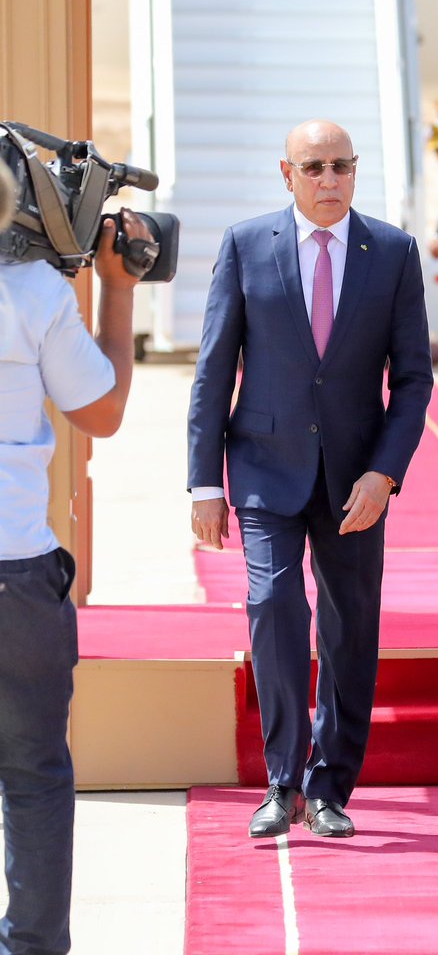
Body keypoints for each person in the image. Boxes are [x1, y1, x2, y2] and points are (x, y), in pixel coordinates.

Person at [188, 119, 433, 842]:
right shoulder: (244, 245)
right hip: (264, 465)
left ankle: (331, 786)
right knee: (273, 605)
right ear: (286, 173)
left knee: (351, 628)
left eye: (342, 166)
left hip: (356, 477)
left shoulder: (391, 252)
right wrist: (204, 483)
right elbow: (212, 370)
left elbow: (414, 380)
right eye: (314, 167)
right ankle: (282, 781)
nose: (329, 180)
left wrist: (385, 473)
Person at [1, 185, 151, 955]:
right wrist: (116, 294)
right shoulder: (33, 293)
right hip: (15, 575)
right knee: (31, 775)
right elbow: (102, 411)